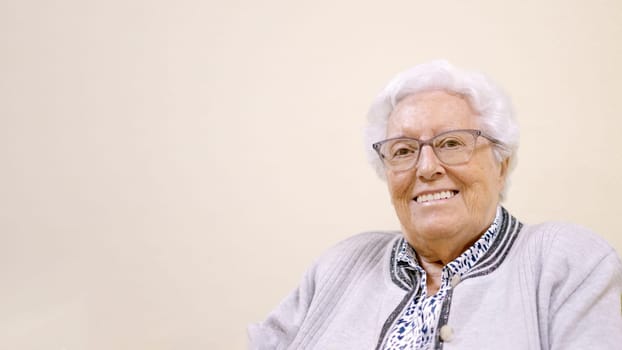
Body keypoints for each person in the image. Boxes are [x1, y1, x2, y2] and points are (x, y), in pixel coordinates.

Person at [247, 60, 622, 349]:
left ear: (501, 164)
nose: (426, 168)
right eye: (404, 150)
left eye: (452, 143)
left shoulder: (566, 261)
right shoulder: (340, 264)